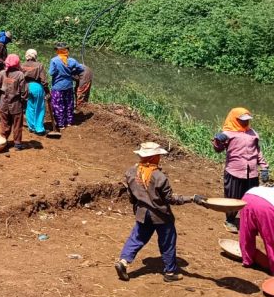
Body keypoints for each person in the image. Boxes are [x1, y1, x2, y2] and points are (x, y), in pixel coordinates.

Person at [115, 142, 202, 283]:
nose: (160, 158)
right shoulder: (159, 177)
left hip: (142, 214)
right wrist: (191, 198)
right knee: (167, 242)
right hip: (161, 216)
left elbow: (131, 196)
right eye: (158, 156)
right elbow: (171, 199)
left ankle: (123, 261)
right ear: (153, 158)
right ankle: (170, 272)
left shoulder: (131, 172)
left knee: (136, 238)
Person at [213, 107, 269, 233]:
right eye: (242, 120)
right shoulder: (227, 134)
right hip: (235, 171)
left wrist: (264, 167)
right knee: (233, 197)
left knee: (252, 198)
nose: (245, 123)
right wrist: (217, 141)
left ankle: (250, 222)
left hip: (252, 172)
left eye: (247, 120)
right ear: (234, 119)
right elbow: (218, 149)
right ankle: (230, 221)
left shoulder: (252, 133)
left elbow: (257, 151)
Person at [48, 42, 84, 133]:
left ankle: (61, 124)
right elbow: (81, 69)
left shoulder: (54, 60)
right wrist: (71, 72)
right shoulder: (72, 61)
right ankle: (69, 122)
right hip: (68, 85)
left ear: (58, 51)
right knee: (69, 104)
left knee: (58, 105)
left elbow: (51, 73)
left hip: (58, 86)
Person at [0, 54, 29, 150]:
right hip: (16, 104)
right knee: (17, 124)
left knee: (5, 123)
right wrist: (24, 103)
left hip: (4, 103)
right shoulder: (20, 74)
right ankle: (17, 144)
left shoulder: (2, 73)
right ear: (17, 62)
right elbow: (24, 91)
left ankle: (3, 141)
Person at [238, 185, 274, 272]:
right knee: (271, 238)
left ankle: (247, 259)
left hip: (249, 195)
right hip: (267, 206)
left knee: (246, 231)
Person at [21, 49, 49, 135]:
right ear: (35, 56)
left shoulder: (22, 65)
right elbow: (43, 80)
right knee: (39, 107)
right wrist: (47, 91)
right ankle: (39, 129)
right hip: (37, 87)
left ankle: (31, 127)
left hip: (26, 87)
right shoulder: (39, 65)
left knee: (30, 107)